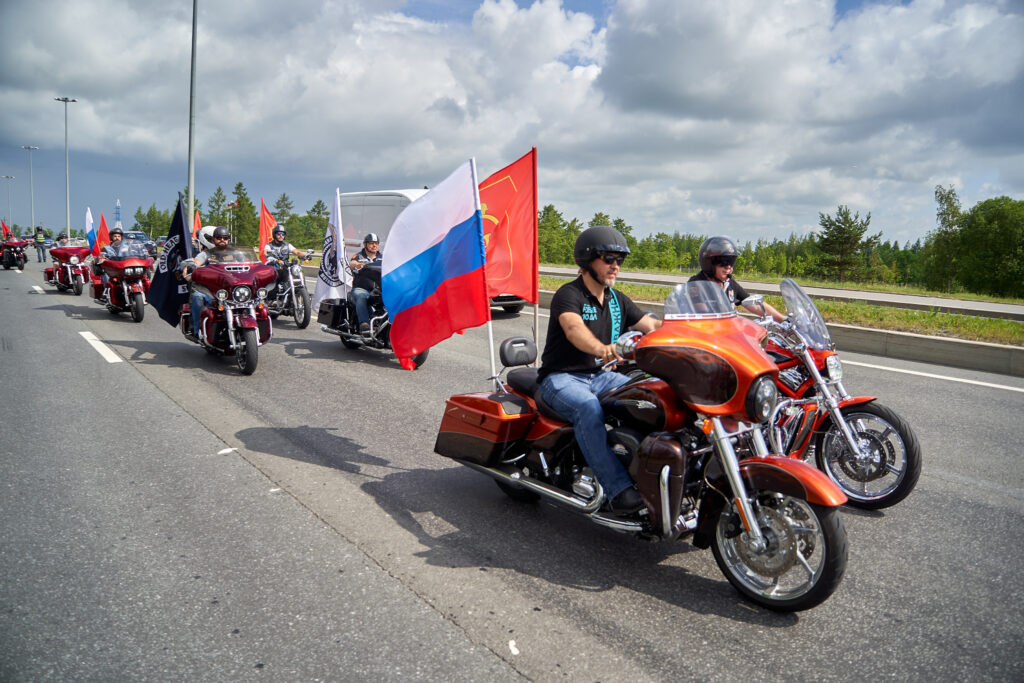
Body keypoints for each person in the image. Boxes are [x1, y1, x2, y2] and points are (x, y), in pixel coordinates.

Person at [537, 225, 662, 515]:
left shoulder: (618, 300)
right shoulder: (569, 295)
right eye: (608, 258)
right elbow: (573, 328)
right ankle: (618, 490)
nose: (615, 265)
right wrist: (603, 349)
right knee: (588, 408)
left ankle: (644, 468)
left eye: (620, 260)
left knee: (652, 395)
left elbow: (653, 326)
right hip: (561, 378)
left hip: (601, 376)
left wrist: (687, 332)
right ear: (587, 260)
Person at [689, 236, 786, 322]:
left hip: (725, 335)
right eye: (723, 262)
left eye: (731, 262)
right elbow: (703, 311)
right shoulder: (695, 284)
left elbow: (753, 304)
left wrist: (782, 319)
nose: (728, 267)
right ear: (709, 263)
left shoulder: (729, 284)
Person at [179, 226, 245, 340]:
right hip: (212, 292)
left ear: (228, 239)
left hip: (232, 291)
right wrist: (190, 265)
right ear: (213, 239)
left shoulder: (235, 253)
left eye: (225, 237)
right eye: (219, 237)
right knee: (197, 296)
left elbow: (247, 264)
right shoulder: (207, 254)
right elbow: (196, 262)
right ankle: (196, 330)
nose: (222, 240)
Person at [264, 227, 310, 306]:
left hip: (285, 268)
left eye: (283, 234)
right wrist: (270, 255)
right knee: (275, 279)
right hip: (274, 268)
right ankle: (272, 299)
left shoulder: (287, 245)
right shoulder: (269, 245)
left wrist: (305, 256)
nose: (281, 236)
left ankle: (301, 295)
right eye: (279, 234)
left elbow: (297, 252)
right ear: (274, 234)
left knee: (298, 273)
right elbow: (265, 253)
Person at [348, 233, 382, 336]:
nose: (374, 245)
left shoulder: (382, 257)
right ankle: (364, 324)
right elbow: (352, 264)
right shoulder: (359, 256)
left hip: (378, 289)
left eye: (376, 243)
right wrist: (357, 264)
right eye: (371, 243)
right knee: (362, 297)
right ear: (365, 244)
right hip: (361, 288)